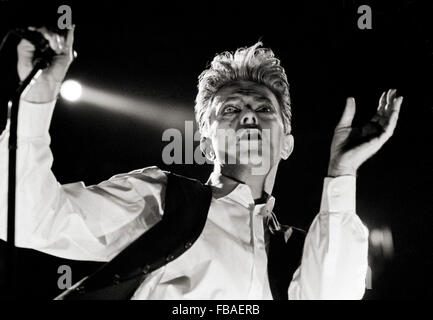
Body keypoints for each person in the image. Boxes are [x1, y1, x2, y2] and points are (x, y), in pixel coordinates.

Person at [0, 26, 403, 299]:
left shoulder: (299, 250)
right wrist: (35, 99)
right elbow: (29, 218)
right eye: (231, 109)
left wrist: (342, 175)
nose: (249, 115)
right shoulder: (162, 200)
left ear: (287, 144)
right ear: (206, 146)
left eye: (264, 108)